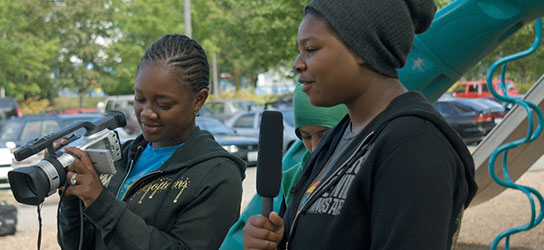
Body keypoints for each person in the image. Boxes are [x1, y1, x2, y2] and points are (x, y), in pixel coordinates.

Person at [243, 0, 478, 249]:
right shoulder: (338, 139)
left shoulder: (415, 145)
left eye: (310, 49)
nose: (297, 64)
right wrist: (278, 241)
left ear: (360, 48)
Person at [57, 34, 246, 250]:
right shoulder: (122, 158)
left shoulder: (218, 174)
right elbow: (78, 245)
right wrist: (72, 195)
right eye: (139, 99)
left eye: (164, 104)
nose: (147, 113)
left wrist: (100, 202)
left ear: (198, 99)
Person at [220, 83, 347, 249]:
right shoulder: (294, 178)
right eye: (306, 137)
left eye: (324, 135)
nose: (315, 147)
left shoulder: (370, 168)